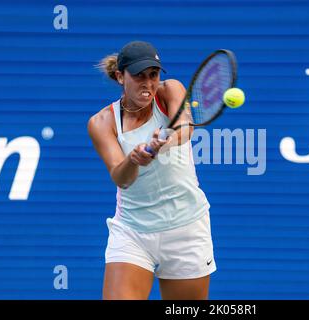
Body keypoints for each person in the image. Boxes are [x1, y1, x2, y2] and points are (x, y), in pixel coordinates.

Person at [87, 41, 216, 300]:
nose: (147, 83)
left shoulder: (170, 90)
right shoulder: (102, 122)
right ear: (120, 76)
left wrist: (165, 141)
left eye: (153, 75)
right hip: (133, 231)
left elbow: (185, 128)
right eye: (138, 76)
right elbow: (120, 178)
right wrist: (133, 159)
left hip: (187, 228)